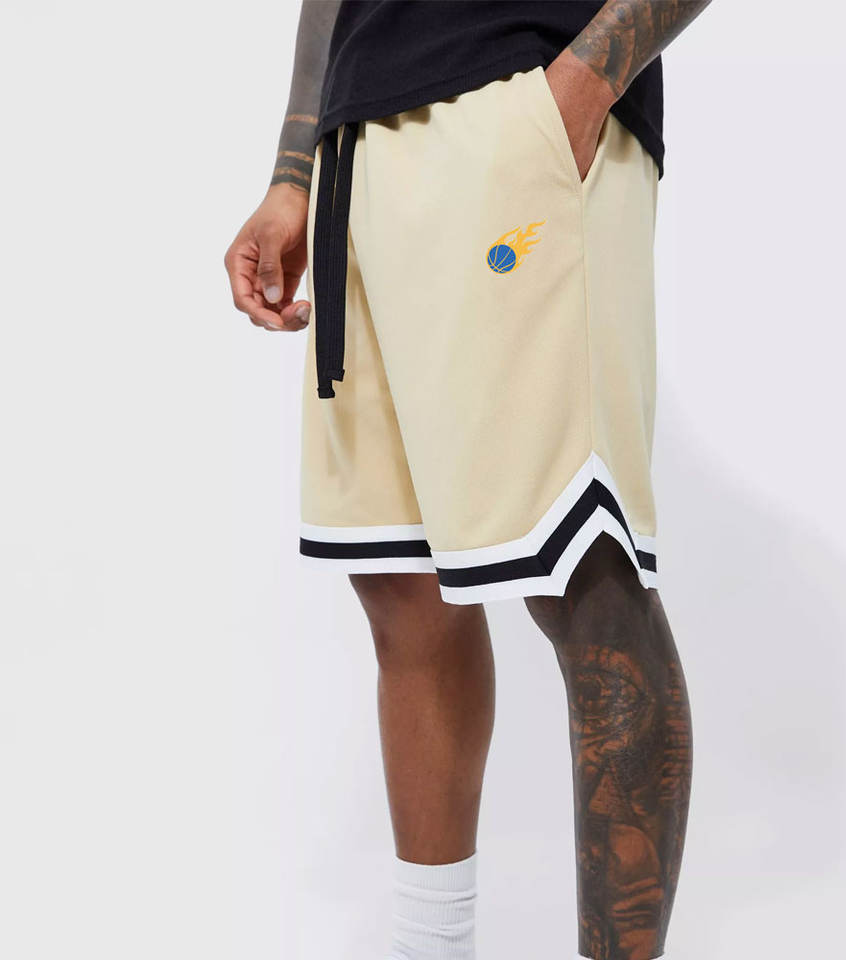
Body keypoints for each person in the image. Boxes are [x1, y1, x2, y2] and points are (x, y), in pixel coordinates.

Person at [224, 3, 711, 958]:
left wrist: (583, 86)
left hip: (518, 103)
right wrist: (293, 172)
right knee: (402, 585)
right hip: (359, 147)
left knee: (585, 573)